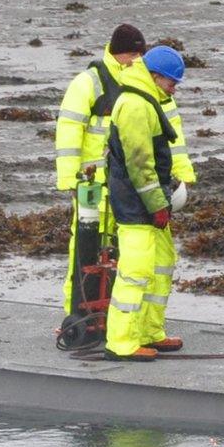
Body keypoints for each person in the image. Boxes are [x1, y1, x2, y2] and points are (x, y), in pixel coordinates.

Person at [55, 24, 148, 316]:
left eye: (140, 55)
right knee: (84, 249)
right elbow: (69, 130)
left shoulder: (140, 82)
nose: (137, 61)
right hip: (90, 187)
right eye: (132, 54)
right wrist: (71, 179)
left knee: (121, 254)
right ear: (118, 53)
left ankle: (111, 313)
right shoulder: (88, 82)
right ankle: (77, 314)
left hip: (123, 185)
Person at [104, 45, 187, 361]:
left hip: (149, 206)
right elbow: (140, 165)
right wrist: (157, 205)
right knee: (136, 272)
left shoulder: (146, 100)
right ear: (155, 76)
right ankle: (121, 342)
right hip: (136, 207)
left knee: (161, 265)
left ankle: (150, 331)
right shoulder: (136, 106)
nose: (174, 88)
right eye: (171, 82)